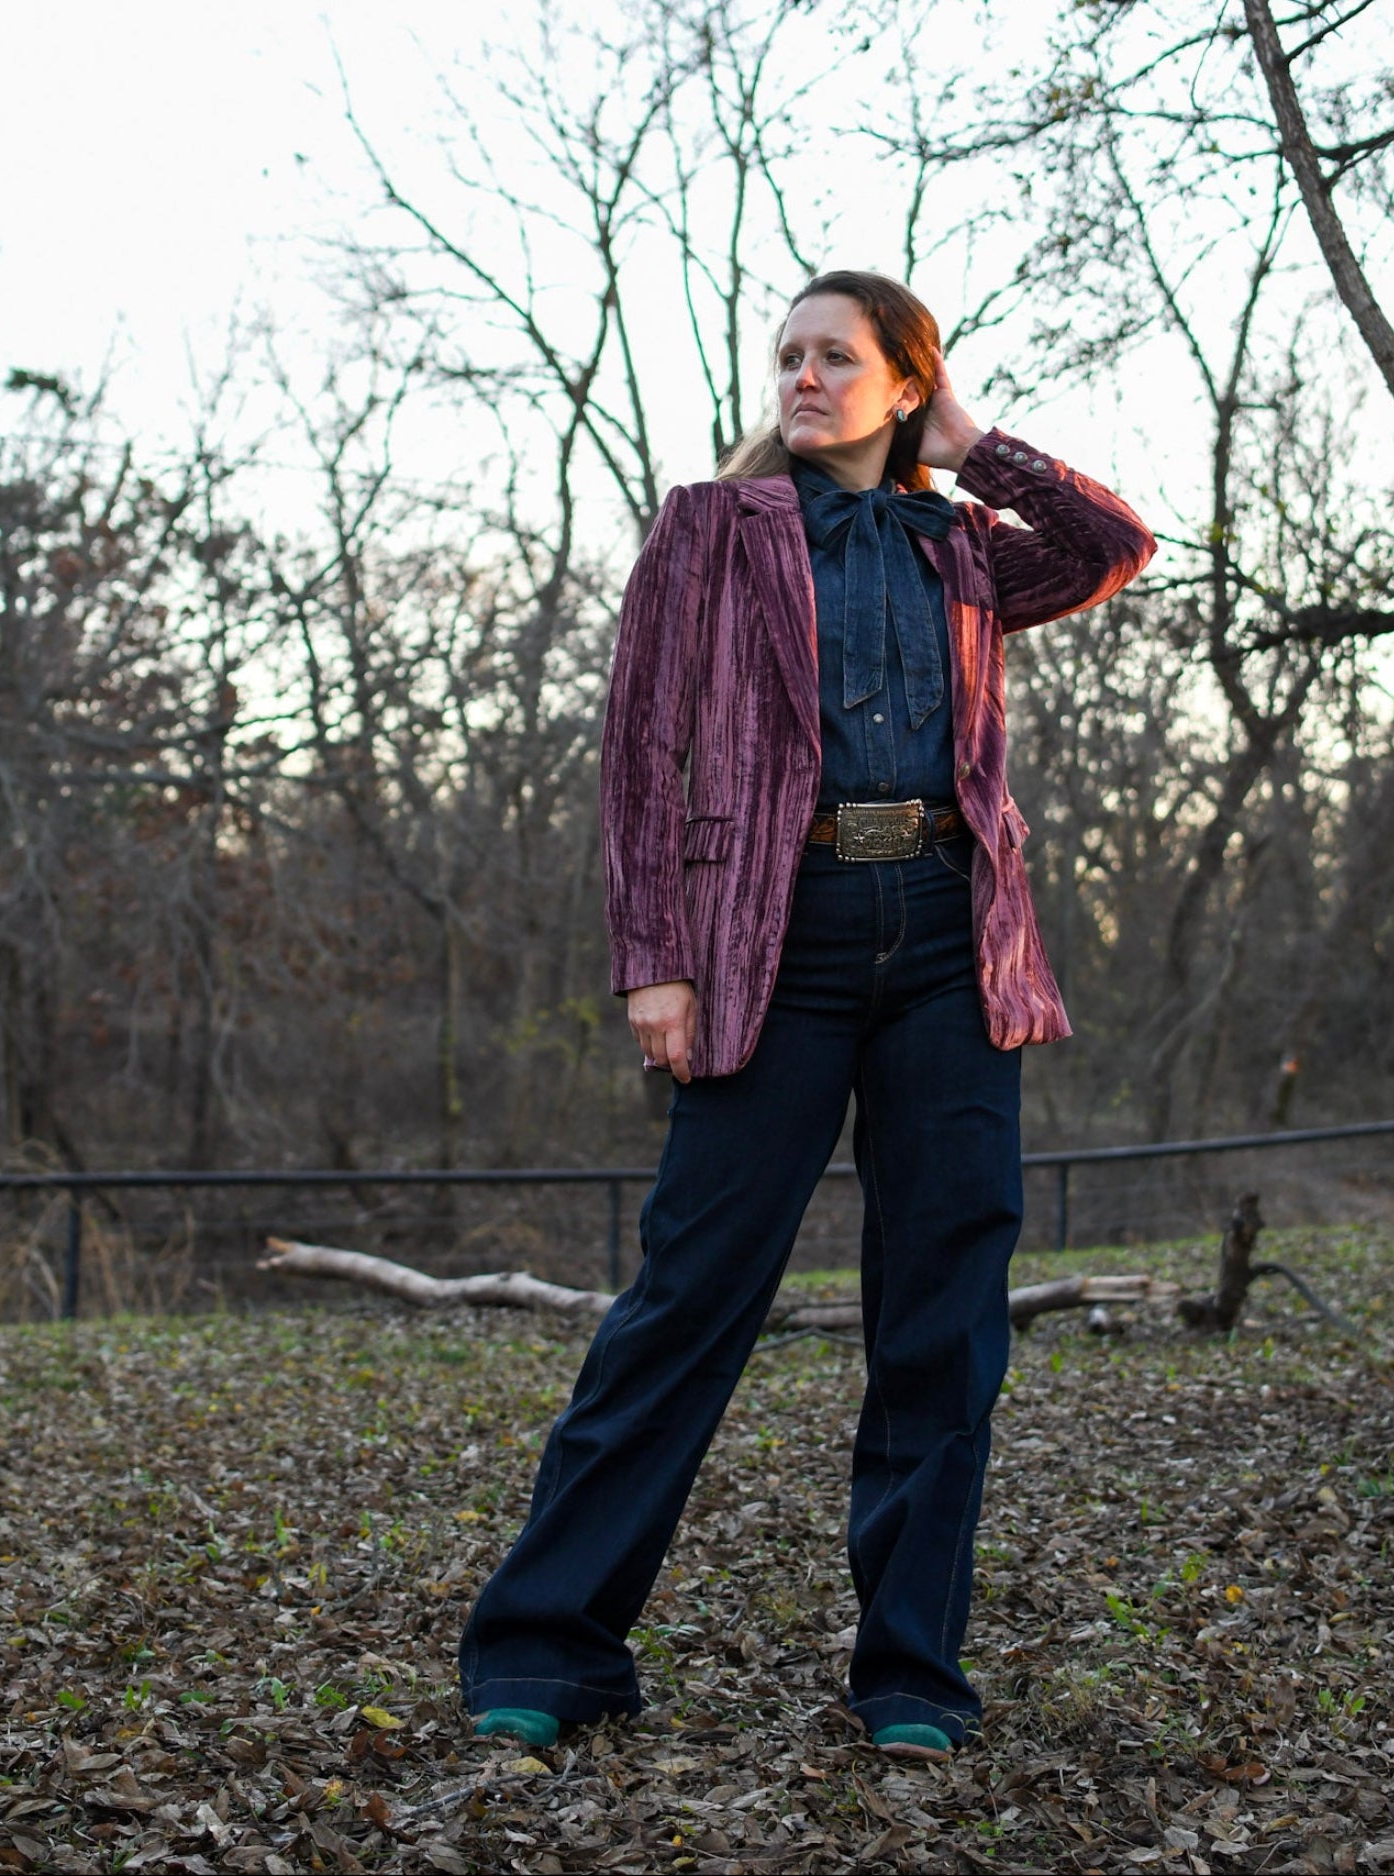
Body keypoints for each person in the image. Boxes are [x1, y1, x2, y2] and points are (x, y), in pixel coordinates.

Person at [458, 270, 1154, 1760]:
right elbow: (642, 748)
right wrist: (654, 953)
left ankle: (909, 1673)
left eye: (840, 357)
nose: (805, 376)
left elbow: (1114, 547)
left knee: (943, 1318)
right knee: (689, 1296)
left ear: (905, 384)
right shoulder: (708, 532)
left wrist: (975, 443)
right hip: (775, 940)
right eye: (788, 355)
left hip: (955, 948)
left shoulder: (967, 544)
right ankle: (548, 1648)